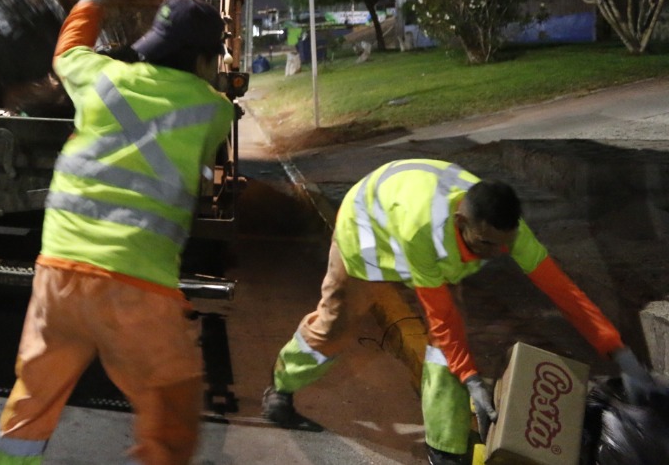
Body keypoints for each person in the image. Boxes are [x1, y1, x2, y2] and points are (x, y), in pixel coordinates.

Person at [0, 0, 236, 465]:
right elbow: (210, 101)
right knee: (170, 407)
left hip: (57, 277)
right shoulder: (211, 110)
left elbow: (67, 54)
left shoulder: (99, 79)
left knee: (33, 398)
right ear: (206, 60)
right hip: (135, 288)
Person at [260, 159, 656, 465]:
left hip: (429, 241)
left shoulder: (502, 230)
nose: (497, 254)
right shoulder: (424, 230)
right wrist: (472, 379)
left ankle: (444, 450)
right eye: (485, 244)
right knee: (334, 328)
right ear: (461, 222)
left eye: (504, 244)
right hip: (368, 239)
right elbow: (440, 317)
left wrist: (616, 350)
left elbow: (561, 288)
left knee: (447, 351)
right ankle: (281, 387)